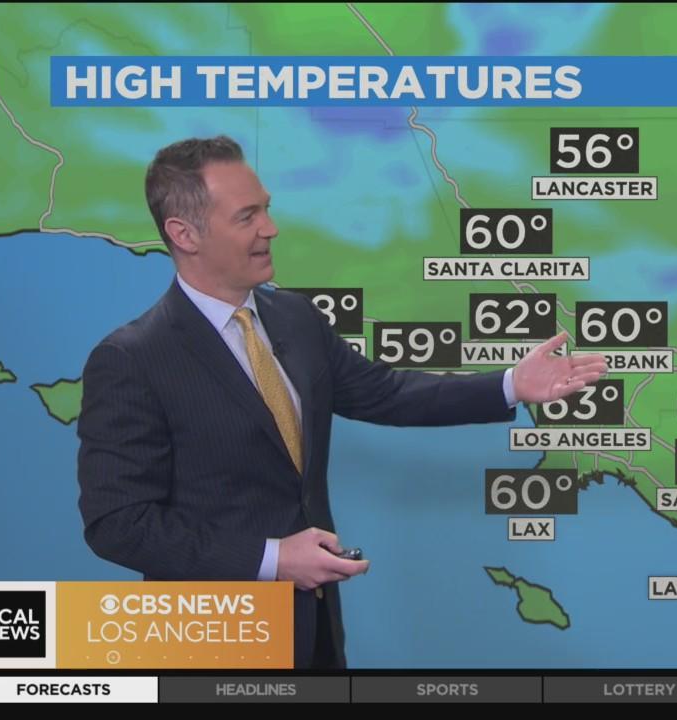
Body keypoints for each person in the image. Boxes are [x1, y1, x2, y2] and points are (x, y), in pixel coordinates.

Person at [76, 135, 607, 669]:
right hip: (211, 644)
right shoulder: (133, 360)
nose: (270, 228)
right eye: (246, 216)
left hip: (315, 633)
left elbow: (387, 393)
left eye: (266, 209)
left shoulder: (295, 319)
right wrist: (273, 559)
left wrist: (511, 384)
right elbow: (118, 523)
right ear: (184, 234)